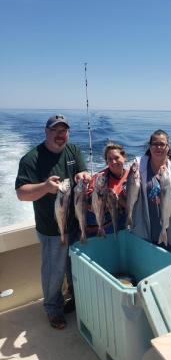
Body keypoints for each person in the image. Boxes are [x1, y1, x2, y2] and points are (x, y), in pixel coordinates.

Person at [15, 114, 91, 330]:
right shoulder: (32, 158)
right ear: (46, 132)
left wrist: (83, 176)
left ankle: (76, 300)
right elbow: (21, 193)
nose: (60, 135)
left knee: (74, 268)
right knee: (54, 272)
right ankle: (53, 309)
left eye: (64, 130)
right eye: (55, 131)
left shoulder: (73, 151)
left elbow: (82, 171)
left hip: (76, 224)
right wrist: (45, 187)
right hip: (51, 229)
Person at [132, 129, 171, 252]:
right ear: (150, 146)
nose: (158, 147)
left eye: (162, 144)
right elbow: (128, 188)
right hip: (144, 228)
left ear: (168, 147)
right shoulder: (138, 164)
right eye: (155, 144)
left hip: (170, 229)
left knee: (167, 263)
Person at [86, 143, 129, 235]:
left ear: (124, 157)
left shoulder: (131, 176)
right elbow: (88, 199)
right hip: (102, 219)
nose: (113, 162)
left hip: (123, 217)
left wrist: (121, 201)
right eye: (110, 159)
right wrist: (101, 196)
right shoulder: (99, 177)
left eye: (117, 158)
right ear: (106, 162)